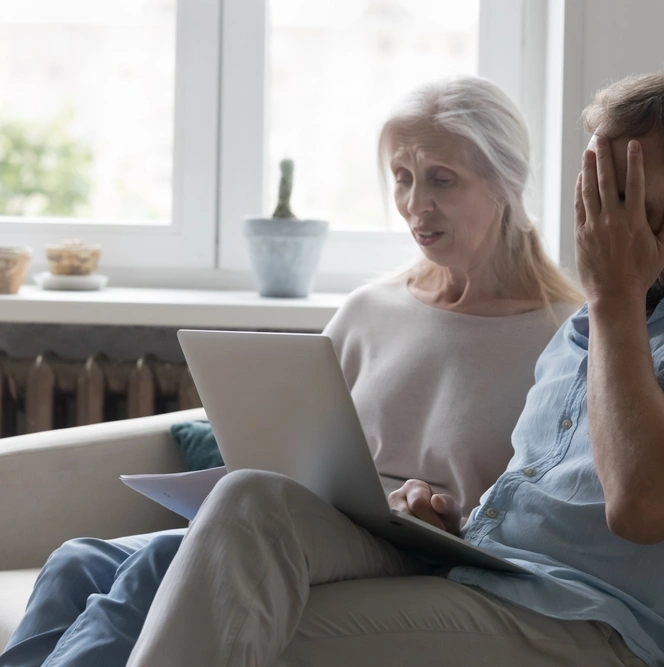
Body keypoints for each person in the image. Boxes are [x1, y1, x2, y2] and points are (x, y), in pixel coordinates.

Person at [121, 70, 664, 667]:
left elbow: (642, 504)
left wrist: (614, 297)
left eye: (630, 205)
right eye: (594, 198)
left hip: (594, 629)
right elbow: (548, 499)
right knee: (251, 500)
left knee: (245, 627)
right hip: (480, 573)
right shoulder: (590, 330)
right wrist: (446, 521)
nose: (604, 229)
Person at [0, 76, 581, 667]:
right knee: (76, 560)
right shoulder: (370, 309)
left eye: (441, 179)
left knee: (158, 562)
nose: (414, 204)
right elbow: (303, 445)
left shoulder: (564, 337)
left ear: (507, 180)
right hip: (314, 524)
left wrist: (446, 513)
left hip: (421, 551)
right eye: (402, 178)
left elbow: (549, 513)